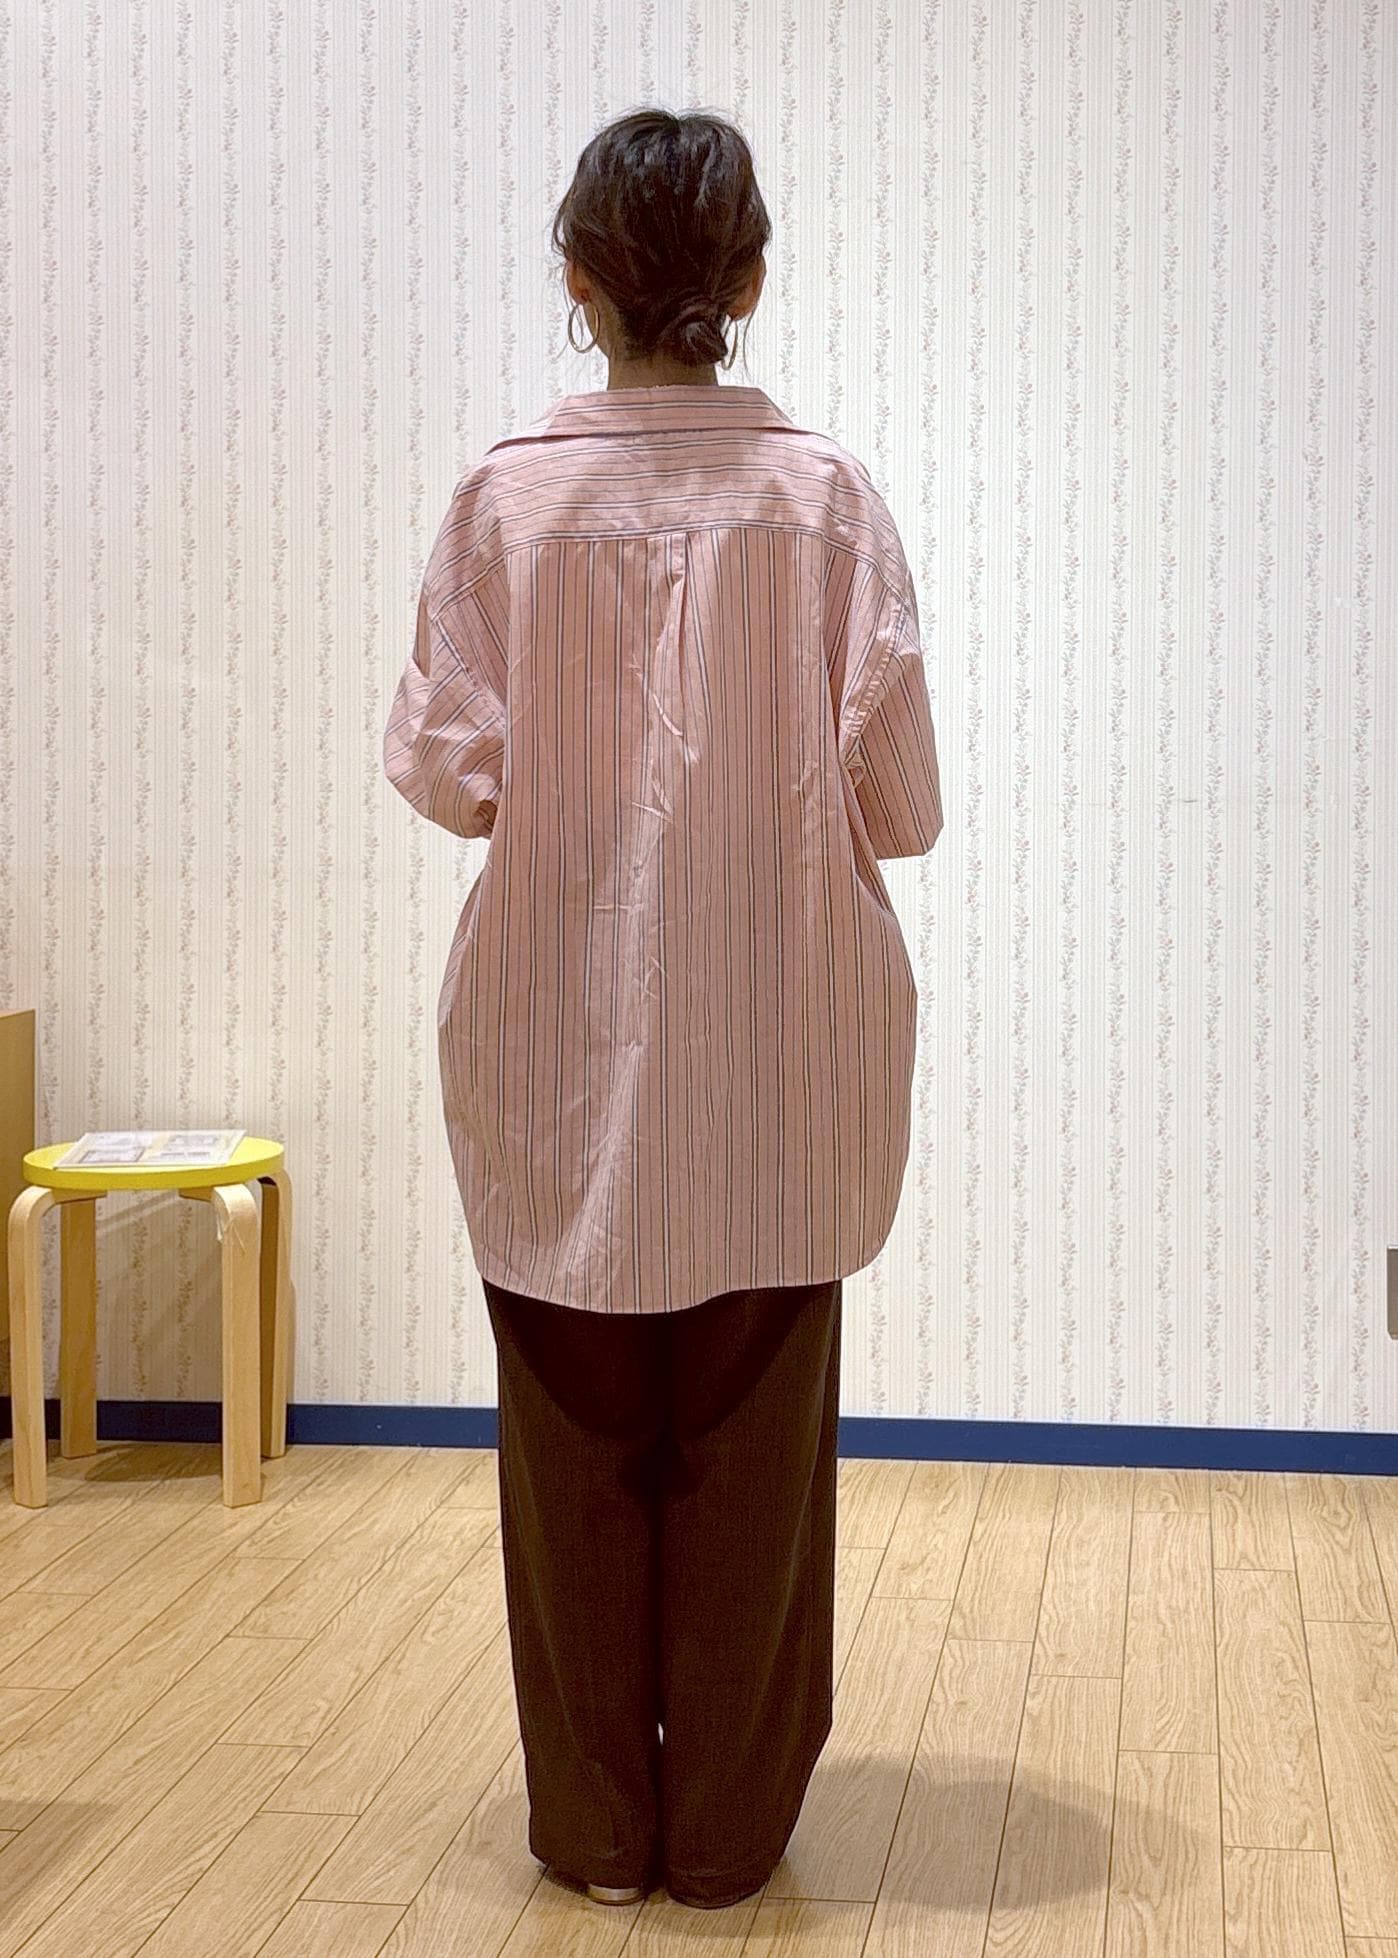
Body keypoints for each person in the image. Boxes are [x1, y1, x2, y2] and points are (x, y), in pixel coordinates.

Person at [382, 108, 943, 1914]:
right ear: (748, 280)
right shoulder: (827, 501)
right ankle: (724, 1840)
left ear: (576, 276)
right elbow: (903, 807)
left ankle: (595, 1832)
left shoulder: (501, 503)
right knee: (755, 1456)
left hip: (551, 1042)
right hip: (783, 1048)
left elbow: (448, 773)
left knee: (566, 1448)